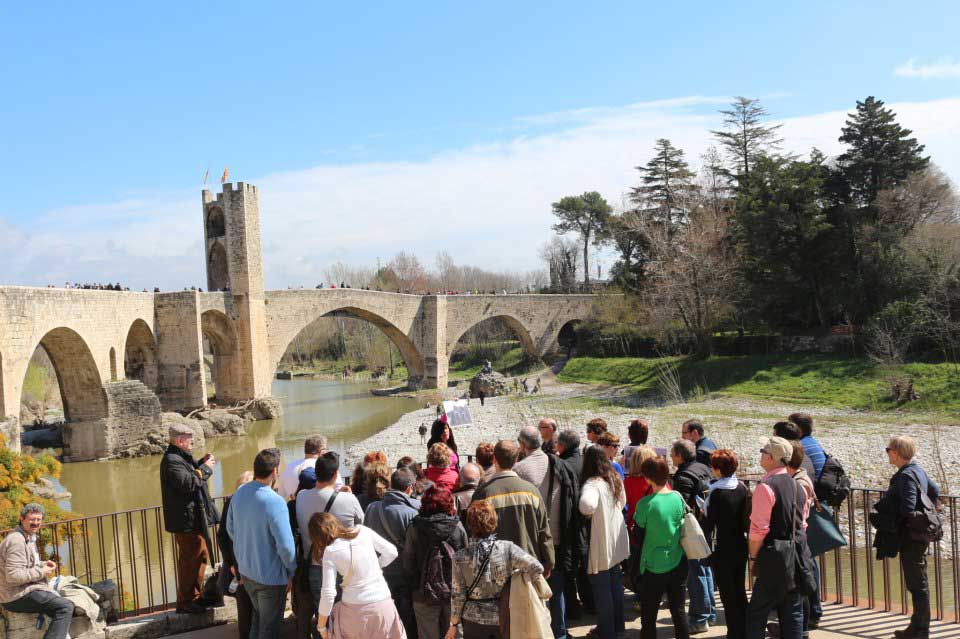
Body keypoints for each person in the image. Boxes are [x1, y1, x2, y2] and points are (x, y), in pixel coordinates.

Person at [514, 425, 580, 639]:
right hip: (559, 535)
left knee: (534, 592)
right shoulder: (558, 463)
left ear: (522, 445)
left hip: (534, 540)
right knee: (557, 588)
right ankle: (559, 632)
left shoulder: (520, 470)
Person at [226, 449, 298, 639]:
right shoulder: (275, 502)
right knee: (269, 628)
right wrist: (291, 571)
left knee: (257, 621)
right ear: (275, 471)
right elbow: (286, 547)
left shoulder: (240, 493)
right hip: (271, 577)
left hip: (248, 572)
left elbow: (230, 529)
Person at [447, 501, 544, 639]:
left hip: (473, 621)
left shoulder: (459, 557)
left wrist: (454, 624)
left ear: (470, 524)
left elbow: (458, 595)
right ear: (494, 521)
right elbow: (537, 568)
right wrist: (517, 580)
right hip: (504, 615)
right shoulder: (507, 548)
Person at [745, 437, 809, 639]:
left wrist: (754, 558)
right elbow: (802, 524)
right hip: (796, 555)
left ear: (771, 457)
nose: (761, 455)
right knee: (793, 612)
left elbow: (758, 531)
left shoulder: (765, 487)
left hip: (773, 557)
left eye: (763, 451)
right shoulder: (799, 485)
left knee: (757, 613)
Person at [309, 513, 406, 639]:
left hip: (354, 611)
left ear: (317, 538)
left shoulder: (330, 551)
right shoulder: (363, 530)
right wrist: (376, 567)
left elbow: (328, 593)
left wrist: (321, 626)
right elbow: (391, 552)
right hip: (384, 604)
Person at [469, 440, 555, 573]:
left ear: (494, 459)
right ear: (516, 459)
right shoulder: (532, 492)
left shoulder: (482, 494)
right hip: (528, 568)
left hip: (494, 571)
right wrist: (548, 562)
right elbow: (544, 531)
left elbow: (474, 534)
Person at [884, 435, 940, 639]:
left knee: (917, 583)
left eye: (888, 449)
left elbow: (908, 507)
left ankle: (920, 630)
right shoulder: (917, 470)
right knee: (918, 581)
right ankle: (917, 627)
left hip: (911, 536)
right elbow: (935, 490)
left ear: (897, 453)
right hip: (919, 535)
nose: (887, 453)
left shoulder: (906, 475)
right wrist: (928, 511)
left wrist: (891, 512)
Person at [160, 424, 218, 614]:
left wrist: (202, 462)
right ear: (179, 441)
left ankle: (195, 597)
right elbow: (189, 482)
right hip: (185, 522)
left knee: (199, 556)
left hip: (192, 518)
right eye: (189, 438)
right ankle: (185, 602)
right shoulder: (171, 460)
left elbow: (191, 473)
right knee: (190, 560)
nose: (192, 441)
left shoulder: (180, 457)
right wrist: (206, 469)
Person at [297, 452, 365, 603]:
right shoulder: (349, 499)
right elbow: (362, 527)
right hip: (343, 566)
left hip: (315, 566)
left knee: (323, 614)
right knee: (345, 614)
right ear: (335, 474)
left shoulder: (301, 496)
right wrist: (344, 495)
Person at [633, 457, 689, 639]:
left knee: (649, 615)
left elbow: (638, 537)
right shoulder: (678, 498)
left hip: (653, 565)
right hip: (678, 560)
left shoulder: (645, 504)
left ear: (648, 478)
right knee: (679, 611)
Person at [0, 504, 75, 639]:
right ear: (22, 519)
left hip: (22, 590)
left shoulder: (26, 536)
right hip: (15, 596)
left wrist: (42, 564)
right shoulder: (17, 541)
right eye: (32, 519)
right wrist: (42, 571)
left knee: (59, 604)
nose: (36, 523)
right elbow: (13, 576)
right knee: (65, 607)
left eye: (39, 520)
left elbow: (25, 565)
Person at [402, 487, 468, 639]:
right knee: (454, 632)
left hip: (423, 591)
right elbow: (466, 560)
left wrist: (413, 587)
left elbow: (408, 561)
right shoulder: (457, 527)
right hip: (453, 591)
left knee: (427, 634)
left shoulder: (415, 527)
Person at [578, 446, 629, 639]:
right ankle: (618, 628)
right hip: (615, 542)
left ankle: (607, 632)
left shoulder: (592, 483)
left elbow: (586, 505)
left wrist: (591, 514)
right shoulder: (614, 478)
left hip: (602, 543)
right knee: (615, 586)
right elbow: (623, 502)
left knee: (602, 590)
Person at [365, 468, 422, 639]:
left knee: (385, 620)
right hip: (405, 575)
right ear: (410, 488)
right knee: (406, 619)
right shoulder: (413, 513)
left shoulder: (372, 508)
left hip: (381, 573)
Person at [701, 450, 749, 639]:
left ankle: (734, 633)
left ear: (719, 470)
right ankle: (745, 630)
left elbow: (708, 525)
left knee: (728, 596)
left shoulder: (716, 493)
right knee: (740, 592)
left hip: (723, 549)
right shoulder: (742, 488)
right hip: (741, 545)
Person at [670, 439, 715, 632]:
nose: (670, 455)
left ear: (679, 456)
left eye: (672, 453)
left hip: (692, 530)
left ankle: (699, 618)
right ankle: (710, 613)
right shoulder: (703, 467)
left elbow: (681, 507)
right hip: (705, 526)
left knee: (695, 572)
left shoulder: (684, 476)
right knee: (705, 569)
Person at [217, 472, 255, 639]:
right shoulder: (245, 501)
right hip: (243, 563)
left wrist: (230, 562)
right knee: (249, 605)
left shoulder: (231, 501)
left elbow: (223, 536)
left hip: (238, 563)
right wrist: (230, 562)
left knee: (245, 605)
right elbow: (224, 535)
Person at [278, 435, 326, 500]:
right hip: (320, 508)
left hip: (294, 508)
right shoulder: (324, 467)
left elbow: (281, 495)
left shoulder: (289, 467)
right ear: (322, 452)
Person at [624, 446, 658, 529]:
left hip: (635, 526)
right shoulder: (659, 482)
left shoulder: (628, 482)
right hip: (655, 524)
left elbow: (624, 502)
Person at [789, 413, 826, 480]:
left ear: (799, 429)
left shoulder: (800, 446)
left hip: (815, 486)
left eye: (790, 426)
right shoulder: (811, 441)